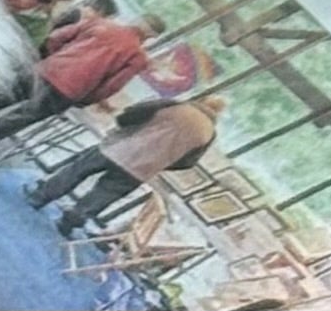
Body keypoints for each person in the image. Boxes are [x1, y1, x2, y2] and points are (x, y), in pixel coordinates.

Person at [0, 0, 155, 148]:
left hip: (47, 69)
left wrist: (55, 58)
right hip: (68, 91)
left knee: (0, 96)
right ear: (151, 36)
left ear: (136, 20)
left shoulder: (101, 24)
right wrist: (84, 99)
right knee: (19, 118)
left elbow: (56, 37)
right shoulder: (138, 58)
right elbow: (111, 86)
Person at [26, 92, 228, 236]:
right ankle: (72, 219)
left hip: (119, 147)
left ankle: (40, 197)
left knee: (78, 170)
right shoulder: (208, 134)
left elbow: (133, 113)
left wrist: (123, 125)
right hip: (142, 168)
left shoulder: (174, 105)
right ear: (218, 114)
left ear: (203, 100)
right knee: (106, 193)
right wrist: (163, 161)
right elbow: (188, 163)